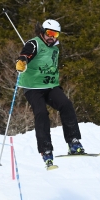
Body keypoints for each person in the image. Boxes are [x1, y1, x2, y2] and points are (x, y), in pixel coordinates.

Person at [15, 19, 85, 167]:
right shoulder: (34, 43)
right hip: (33, 88)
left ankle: (73, 141)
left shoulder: (55, 48)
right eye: (49, 33)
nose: (52, 37)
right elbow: (27, 52)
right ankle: (45, 149)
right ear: (43, 32)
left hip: (50, 85)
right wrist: (22, 60)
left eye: (55, 34)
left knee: (66, 105)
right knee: (41, 113)